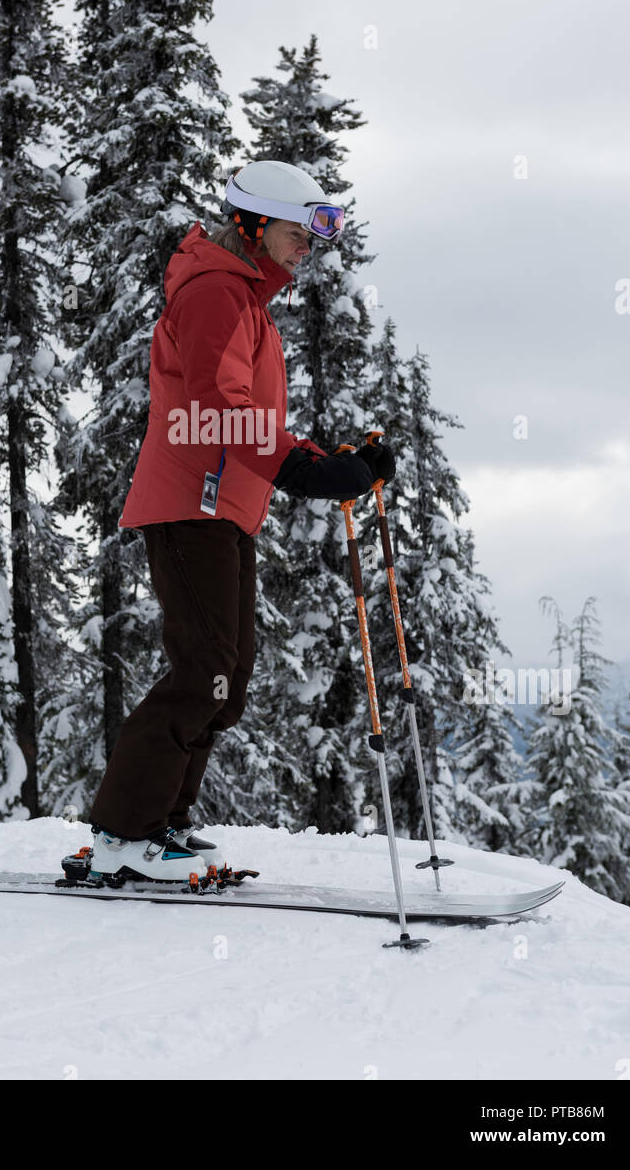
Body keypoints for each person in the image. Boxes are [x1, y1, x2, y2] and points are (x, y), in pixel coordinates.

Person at [86, 161, 395, 883]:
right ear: (254, 224)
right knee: (202, 668)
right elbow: (214, 402)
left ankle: (161, 821)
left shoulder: (243, 299)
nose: (308, 247)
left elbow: (247, 412)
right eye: (298, 231)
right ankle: (124, 835)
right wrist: (297, 469)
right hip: (191, 500)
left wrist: (330, 460)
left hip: (222, 507)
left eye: (317, 234)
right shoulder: (217, 291)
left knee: (227, 674)